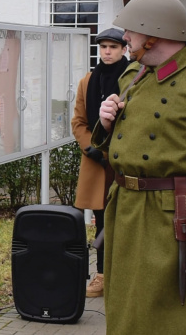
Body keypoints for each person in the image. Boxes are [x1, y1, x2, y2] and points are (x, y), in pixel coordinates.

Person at [92, 0, 186, 334]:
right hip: (128, 211)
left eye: (130, 31)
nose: (125, 38)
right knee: (127, 315)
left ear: (154, 34)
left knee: (173, 320)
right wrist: (106, 124)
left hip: (175, 221)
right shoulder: (137, 75)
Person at [71, 27, 129, 298]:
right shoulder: (87, 81)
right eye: (103, 46)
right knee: (102, 218)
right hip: (97, 163)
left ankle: (124, 275)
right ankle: (102, 275)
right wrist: (89, 145)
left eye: (113, 47)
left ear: (123, 49)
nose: (107, 51)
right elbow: (79, 121)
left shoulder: (135, 78)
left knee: (128, 217)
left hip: (126, 161)